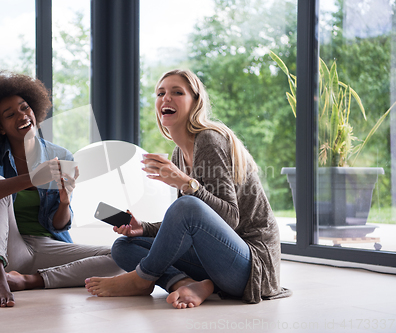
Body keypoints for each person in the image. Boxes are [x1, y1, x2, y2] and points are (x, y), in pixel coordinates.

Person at [85, 69, 291, 308]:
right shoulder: (179, 154)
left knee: (187, 204)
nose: (166, 98)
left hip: (252, 267)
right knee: (124, 247)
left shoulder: (209, 140)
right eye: (160, 93)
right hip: (217, 260)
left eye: (177, 92)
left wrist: (185, 183)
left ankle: (142, 279)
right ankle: (187, 283)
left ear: (196, 102)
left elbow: (230, 218)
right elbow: (189, 225)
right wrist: (144, 228)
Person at [0, 71, 123, 308]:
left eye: (25, 108)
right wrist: (33, 178)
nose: (22, 115)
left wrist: (65, 202)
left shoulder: (61, 156)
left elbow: (58, 224)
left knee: (119, 255)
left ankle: (30, 281)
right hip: (0, 249)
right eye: (10, 114)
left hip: (44, 247)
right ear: (0, 127)